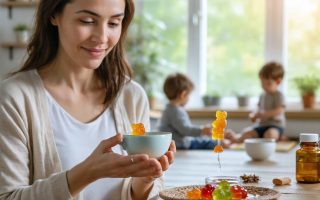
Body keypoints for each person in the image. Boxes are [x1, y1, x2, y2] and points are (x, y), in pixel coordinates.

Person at [0, 0, 175, 200]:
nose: (101, 37)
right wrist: (87, 172)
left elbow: (137, 194)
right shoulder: (14, 98)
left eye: (113, 23)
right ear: (54, 15)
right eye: (87, 21)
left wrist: (144, 179)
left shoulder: (131, 96)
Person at [159, 73, 231, 149]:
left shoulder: (169, 109)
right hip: (180, 144)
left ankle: (221, 142)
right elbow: (186, 130)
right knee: (204, 142)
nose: (189, 98)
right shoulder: (175, 111)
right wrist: (201, 130)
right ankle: (220, 144)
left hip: (180, 141)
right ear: (183, 94)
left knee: (200, 140)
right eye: (188, 95)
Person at [228, 62, 286, 143]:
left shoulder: (278, 95)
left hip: (275, 126)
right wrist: (254, 115)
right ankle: (236, 139)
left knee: (270, 135)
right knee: (246, 133)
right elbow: (258, 108)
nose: (264, 86)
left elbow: (280, 110)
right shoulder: (262, 95)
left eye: (268, 84)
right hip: (261, 125)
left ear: (278, 82)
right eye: (262, 83)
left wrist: (265, 114)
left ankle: (279, 137)